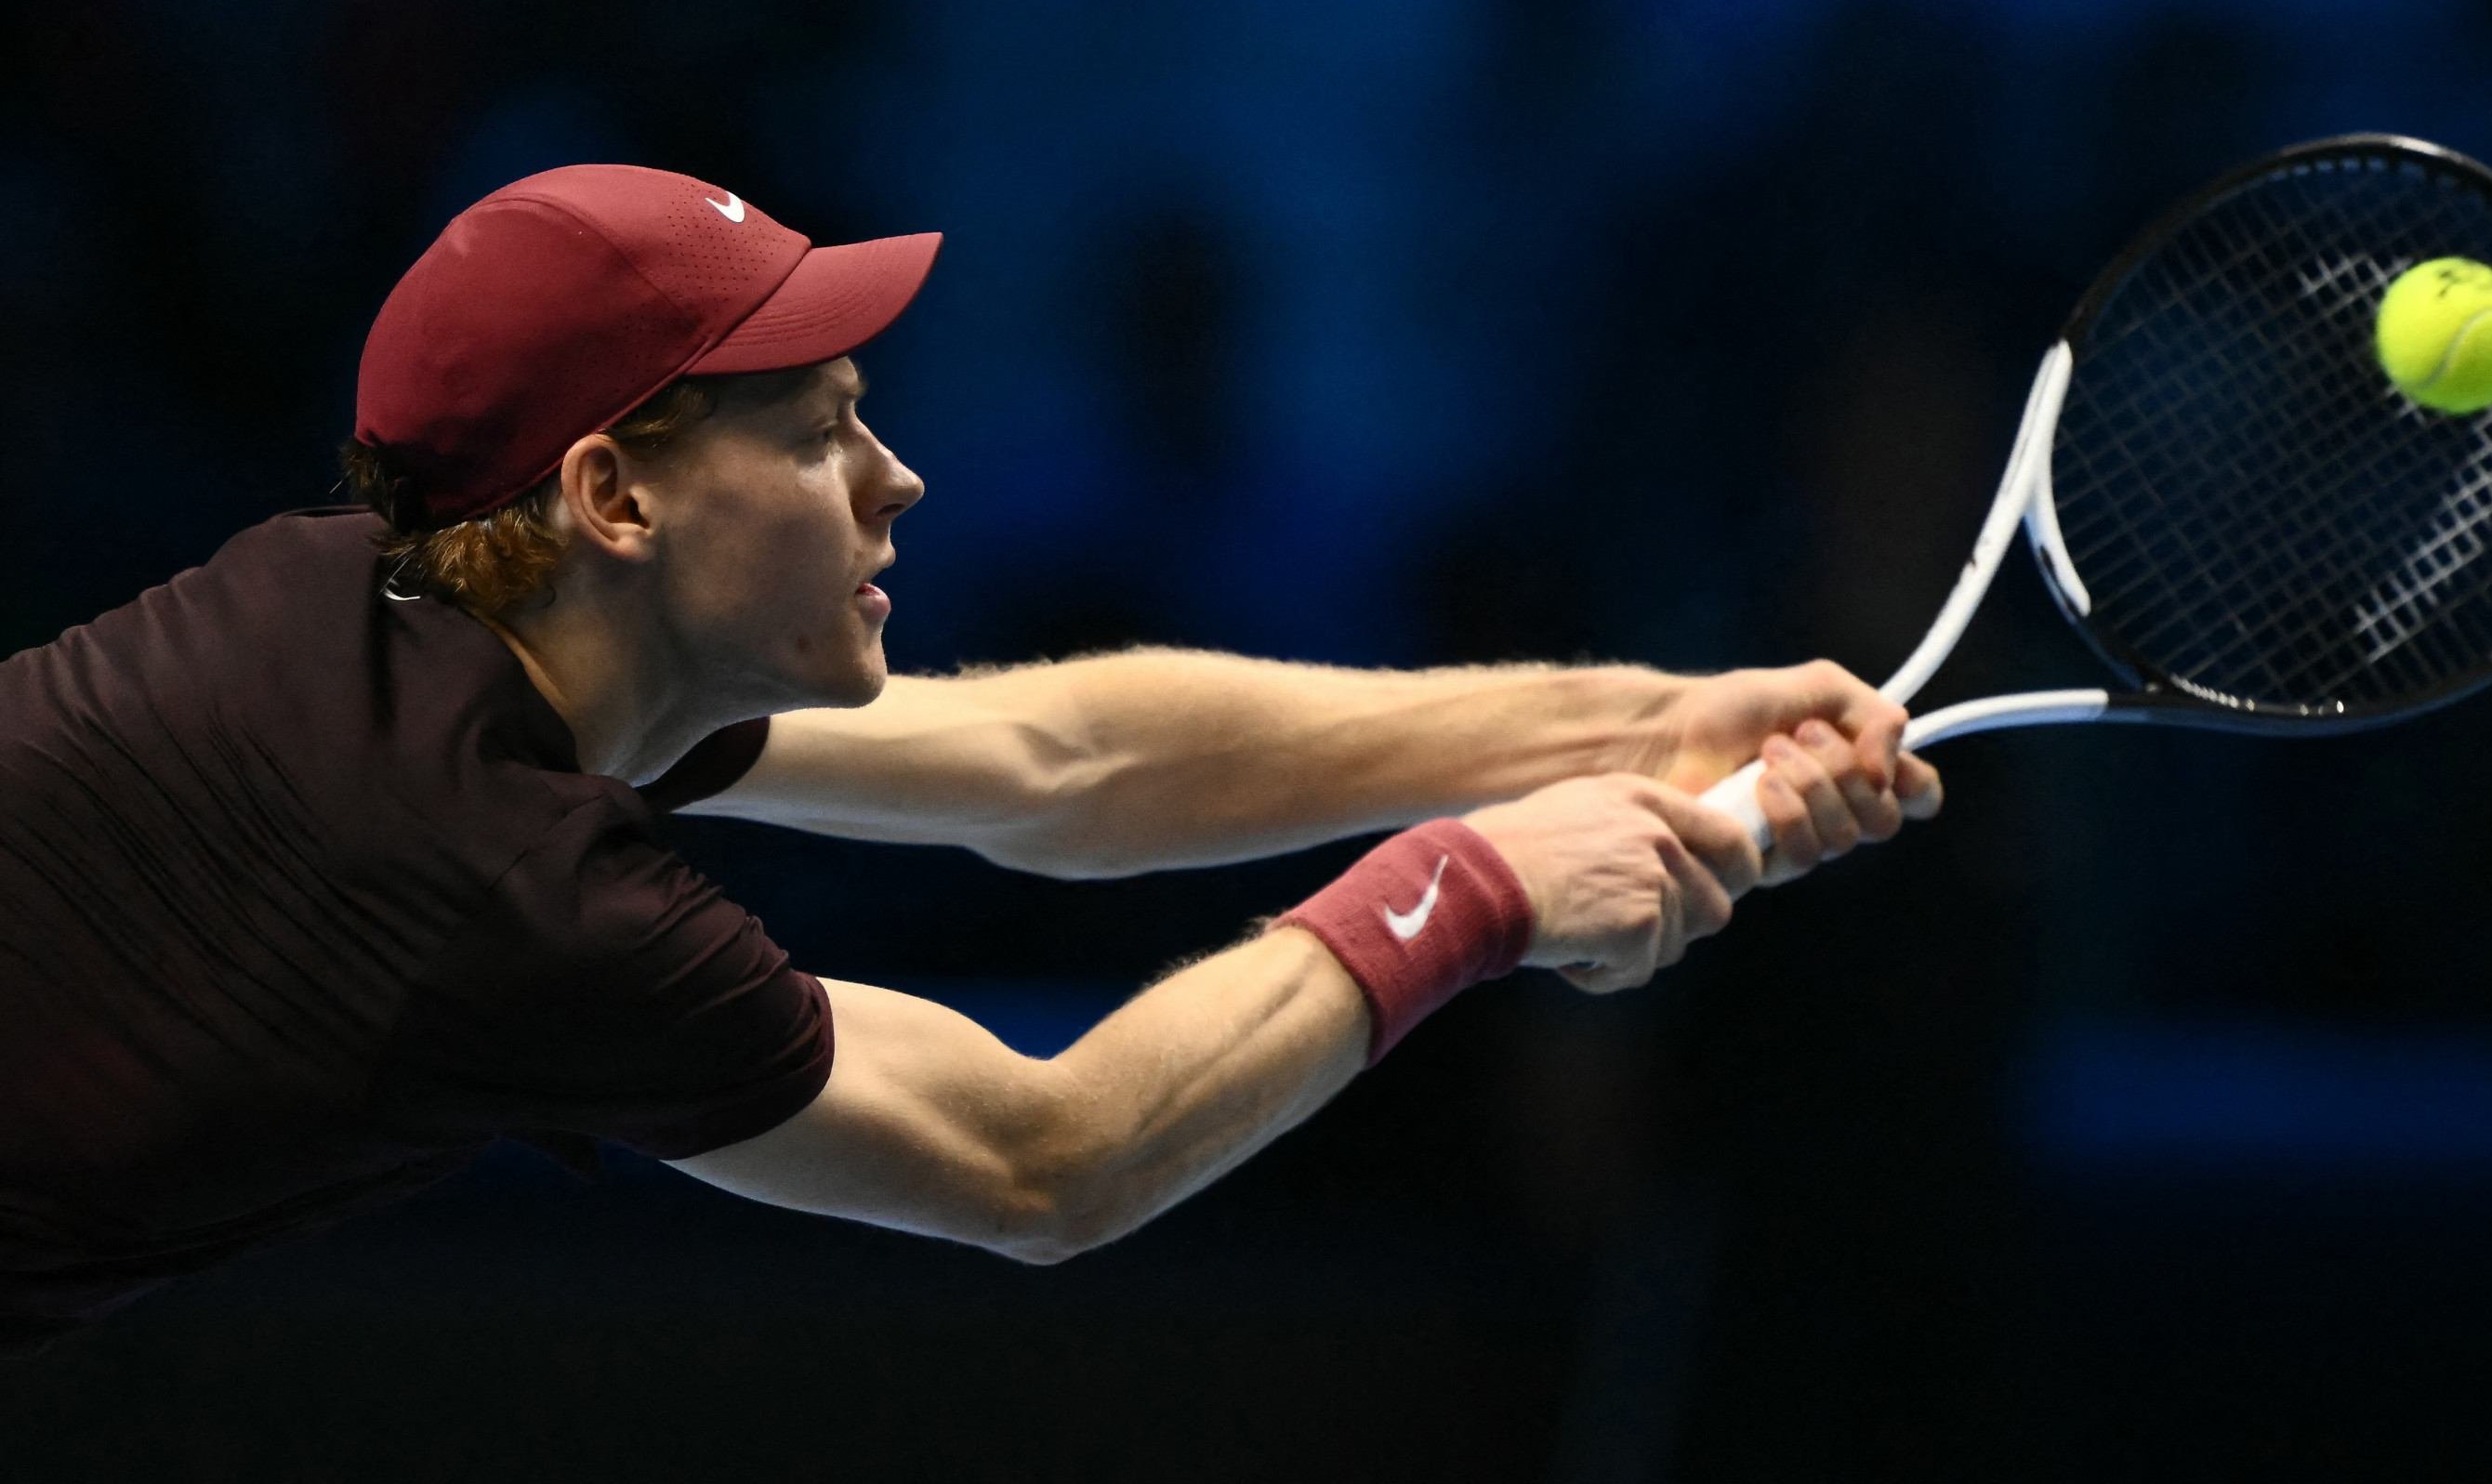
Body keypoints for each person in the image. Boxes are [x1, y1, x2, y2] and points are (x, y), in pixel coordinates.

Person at [0, 165, 1940, 1353]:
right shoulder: (484, 879)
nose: (897, 476)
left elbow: (1062, 759)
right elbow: (1046, 1159)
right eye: (820, 429)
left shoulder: (392, 604)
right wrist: (1484, 891)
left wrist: (1634, 721)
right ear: (611, 495)